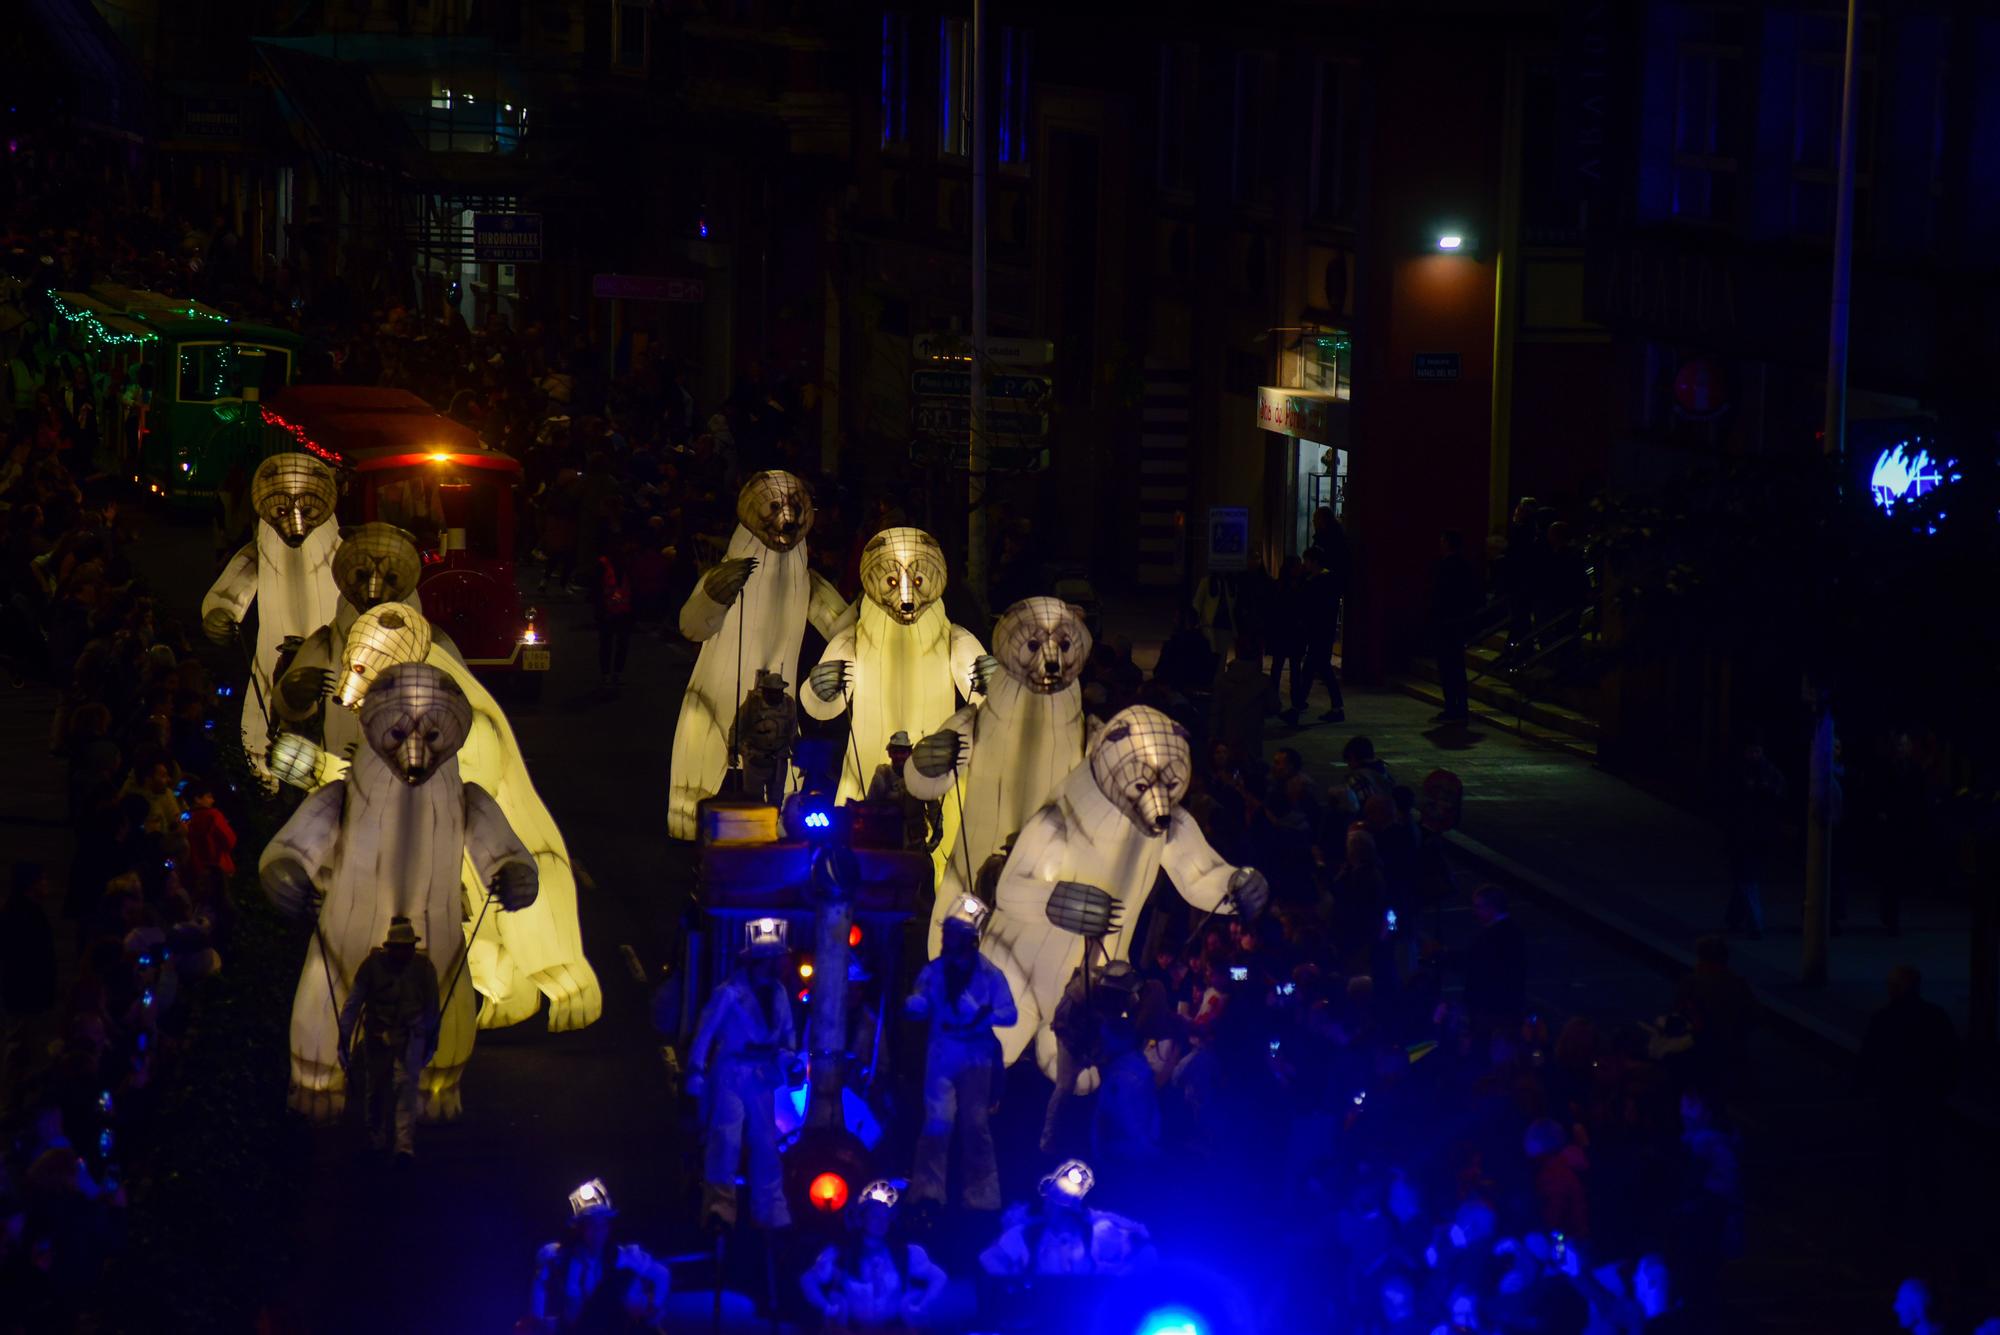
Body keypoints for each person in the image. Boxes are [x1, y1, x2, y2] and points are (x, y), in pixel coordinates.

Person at [687, 918, 798, 1229]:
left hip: (762, 1077)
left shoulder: (778, 994)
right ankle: (719, 1209)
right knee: (726, 1141)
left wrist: (789, 1060)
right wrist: (695, 1074)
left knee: (765, 1143)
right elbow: (704, 1033)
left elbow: (787, 1036)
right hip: (730, 1074)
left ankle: (770, 1208)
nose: (774, 965)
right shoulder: (729, 994)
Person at [907, 897, 1016, 1212]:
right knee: (936, 1123)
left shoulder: (990, 975)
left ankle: (981, 1196)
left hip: (976, 1057)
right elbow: (920, 997)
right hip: (942, 1052)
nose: (946, 941)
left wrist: (986, 1015)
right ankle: (928, 1190)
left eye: (953, 935)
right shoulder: (934, 972)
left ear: (969, 940)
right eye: (946, 934)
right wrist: (917, 1006)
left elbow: (1010, 1014)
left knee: (975, 1125)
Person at [336, 916, 441, 1164]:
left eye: (409, 947)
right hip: (378, 1035)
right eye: (401, 947)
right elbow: (354, 1003)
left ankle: (404, 1144)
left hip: (410, 1035)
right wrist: (344, 1037)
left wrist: (431, 1039)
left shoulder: (424, 969)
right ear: (390, 947)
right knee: (376, 1089)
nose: (406, 952)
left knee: (406, 1087)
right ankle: (376, 1137)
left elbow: (432, 1009)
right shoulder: (372, 966)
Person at [799, 1180, 949, 1332]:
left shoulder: (905, 1253)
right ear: (861, 1218)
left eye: (885, 1216)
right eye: (875, 1216)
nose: (881, 1222)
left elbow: (939, 1277)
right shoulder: (840, 1253)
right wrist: (828, 1307)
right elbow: (808, 1279)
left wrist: (920, 1305)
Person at [530, 1179, 672, 1333]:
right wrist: (539, 1318)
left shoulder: (624, 1258)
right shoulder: (557, 1257)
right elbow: (540, 1282)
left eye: (602, 1225)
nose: (597, 1232)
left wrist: (654, 1309)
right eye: (591, 1225)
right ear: (579, 1228)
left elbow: (662, 1274)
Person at [978, 1160, 1156, 1278]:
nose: (1054, 1203)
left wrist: (1115, 1278)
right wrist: (1016, 1287)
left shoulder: (1098, 1234)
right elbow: (989, 1258)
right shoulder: (1028, 1234)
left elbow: (1147, 1252)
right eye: (1053, 1195)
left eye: (1062, 1199)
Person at [1431, 885, 1525, 1035]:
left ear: (1491, 907)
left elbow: (1476, 965)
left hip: (1490, 1010)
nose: (1475, 912)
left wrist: (1444, 955)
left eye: (1478, 907)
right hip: (1500, 1008)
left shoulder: (1494, 936)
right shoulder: (1510, 932)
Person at [1673, 935, 1757, 1097]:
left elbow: (1679, 1011)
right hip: (1730, 1042)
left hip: (1702, 1043)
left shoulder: (1692, 983)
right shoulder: (1737, 983)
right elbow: (1752, 1012)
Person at [1723, 738, 1785, 939]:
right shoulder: (1740, 774)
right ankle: (1746, 921)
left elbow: (1778, 794)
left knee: (1746, 878)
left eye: (1757, 751)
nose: (1754, 756)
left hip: (1756, 833)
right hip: (1744, 833)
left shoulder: (1769, 774)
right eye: (1751, 751)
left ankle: (1747, 921)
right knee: (1745, 878)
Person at [1280, 544, 1345, 726]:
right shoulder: (1325, 580)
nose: (1305, 565)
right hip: (1323, 632)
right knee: (1320, 670)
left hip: (1319, 632)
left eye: (1307, 561)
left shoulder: (1318, 581)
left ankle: (1298, 708)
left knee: (1310, 671)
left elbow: (1310, 607)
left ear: (1314, 561)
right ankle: (1335, 707)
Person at [1427, 531, 1482, 724]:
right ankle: (1461, 706)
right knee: (1457, 667)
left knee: (1448, 668)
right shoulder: (1466, 566)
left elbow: (1439, 596)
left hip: (1446, 624)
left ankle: (1452, 706)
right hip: (1458, 623)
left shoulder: (1445, 566)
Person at [1210, 632, 1278, 766]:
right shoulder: (1263, 681)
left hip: (1228, 735)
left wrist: (1213, 735)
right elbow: (1274, 707)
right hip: (1252, 737)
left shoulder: (1224, 679)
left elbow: (1215, 710)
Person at [733, 669, 798, 806]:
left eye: (778, 691)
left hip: (778, 761)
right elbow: (737, 728)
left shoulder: (789, 705)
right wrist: (733, 749)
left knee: (776, 800)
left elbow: (792, 732)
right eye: (772, 691)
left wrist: (799, 754)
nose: (776, 695)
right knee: (753, 801)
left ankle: (772, 823)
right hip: (755, 759)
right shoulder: (752, 705)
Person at [866, 731, 939, 851]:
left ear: (910, 753)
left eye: (903, 752)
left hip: (915, 843)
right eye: (896, 752)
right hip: (887, 842)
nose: (899, 756)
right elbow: (869, 808)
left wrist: (937, 834)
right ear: (890, 754)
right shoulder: (882, 776)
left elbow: (934, 809)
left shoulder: (921, 777)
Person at [181, 780, 237, 906]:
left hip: (194, 873)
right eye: (209, 797)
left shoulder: (184, 820)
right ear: (197, 799)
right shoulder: (213, 815)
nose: (212, 801)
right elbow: (230, 841)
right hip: (218, 871)